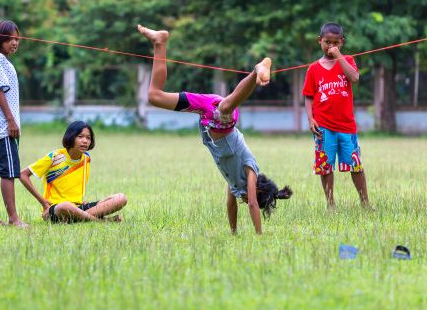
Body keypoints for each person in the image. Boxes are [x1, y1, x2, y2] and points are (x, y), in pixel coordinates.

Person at [137, 25, 292, 235]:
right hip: (222, 120)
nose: (246, 201)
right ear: (257, 190)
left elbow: (231, 205)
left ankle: (159, 42)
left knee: (154, 96)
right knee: (227, 106)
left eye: (246, 200)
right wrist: (259, 235)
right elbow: (254, 205)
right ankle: (258, 69)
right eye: (249, 198)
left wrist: (234, 233)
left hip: (207, 118)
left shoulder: (235, 184)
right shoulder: (251, 173)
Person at [302, 22, 370, 210]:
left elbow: (355, 78)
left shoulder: (347, 60)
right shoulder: (313, 69)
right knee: (325, 166)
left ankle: (365, 202)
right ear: (319, 41)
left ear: (342, 42)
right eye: (327, 42)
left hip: (347, 126)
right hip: (323, 127)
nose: (331, 46)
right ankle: (330, 203)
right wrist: (310, 118)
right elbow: (308, 96)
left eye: (335, 43)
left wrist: (339, 56)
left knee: (355, 165)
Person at [19, 121, 127, 223]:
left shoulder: (86, 159)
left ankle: (78, 217)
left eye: (88, 138)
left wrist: (81, 201)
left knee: (121, 198)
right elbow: (23, 175)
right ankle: (101, 221)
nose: (85, 141)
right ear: (71, 137)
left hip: (78, 207)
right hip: (56, 209)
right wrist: (43, 202)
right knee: (65, 206)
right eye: (80, 137)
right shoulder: (55, 157)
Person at [0, 20, 27, 227]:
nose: (14, 42)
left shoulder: (2, 61)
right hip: (5, 128)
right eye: (10, 39)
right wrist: (10, 121)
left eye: (17, 38)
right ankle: (13, 218)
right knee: (9, 172)